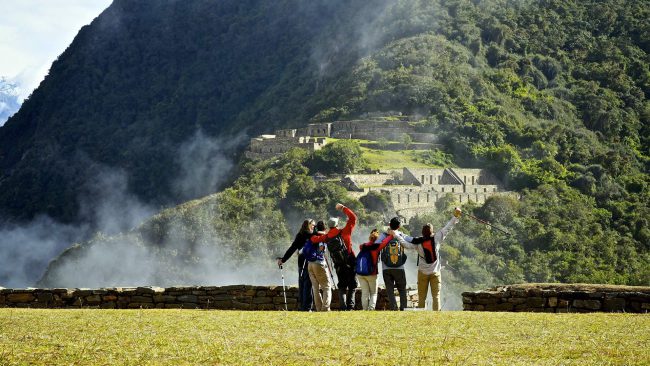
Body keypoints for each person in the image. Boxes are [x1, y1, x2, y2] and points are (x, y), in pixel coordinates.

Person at [390, 207, 462, 310]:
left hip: (422, 272)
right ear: (432, 232)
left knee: (422, 298)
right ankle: (437, 317)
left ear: (422, 233)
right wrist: (455, 216)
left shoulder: (418, 242)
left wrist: (396, 235)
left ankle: (421, 315)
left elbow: (406, 244)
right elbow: (448, 227)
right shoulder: (436, 238)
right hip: (435, 272)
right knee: (436, 296)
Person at [311, 203, 358, 310]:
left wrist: (316, 231)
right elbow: (353, 218)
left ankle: (343, 307)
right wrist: (342, 208)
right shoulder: (345, 232)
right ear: (337, 225)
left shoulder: (326, 237)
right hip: (350, 261)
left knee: (341, 286)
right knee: (352, 285)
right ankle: (350, 307)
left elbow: (314, 239)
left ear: (329, 226)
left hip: (338, 264)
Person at [374, 216, 413, 311]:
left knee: (390, 290)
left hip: (386, 268)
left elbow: (376, 245)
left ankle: (393, 307)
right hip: (399, 268)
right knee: (402, 290)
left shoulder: (383, 235)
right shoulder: (400, 235)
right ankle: (403, 308)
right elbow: (411, 240)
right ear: (399, 226)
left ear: (389, 225)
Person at [277, 219, 315, 311]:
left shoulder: (300, 235)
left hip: (301, 263)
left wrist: (283, 259)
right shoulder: (311, 235)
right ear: (308, 225)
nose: (314, 227)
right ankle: (307, 307)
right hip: (309, 263)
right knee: (308, 285)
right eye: (313, 225)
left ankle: (302, 306)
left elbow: (292, 248)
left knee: (302, 285)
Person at [356, 229, 392, 310]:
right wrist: (391, 235)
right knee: (373, 293)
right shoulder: (377, 247)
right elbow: (385, 242)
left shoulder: (362, 246)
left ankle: (365, 309)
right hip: (372, 273)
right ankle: (371, 309)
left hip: (361, 274)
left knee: (365, 293)